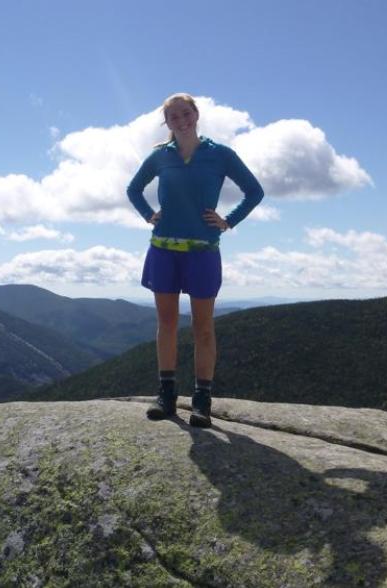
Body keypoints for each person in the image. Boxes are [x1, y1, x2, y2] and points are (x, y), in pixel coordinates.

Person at [126, 93, 264, 427]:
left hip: (203, 250)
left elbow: (254, 191)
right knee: (168, 324)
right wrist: (149, 214)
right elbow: (133, 189)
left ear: (196, 114)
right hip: (163, 249)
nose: (181, 120)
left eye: (185, 113)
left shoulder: (220, 154)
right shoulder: (160, 157)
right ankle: (167, 395)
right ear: (167, 122)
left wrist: (228, 220)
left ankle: (202, 400)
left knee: (203, 327)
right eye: (174, 117)